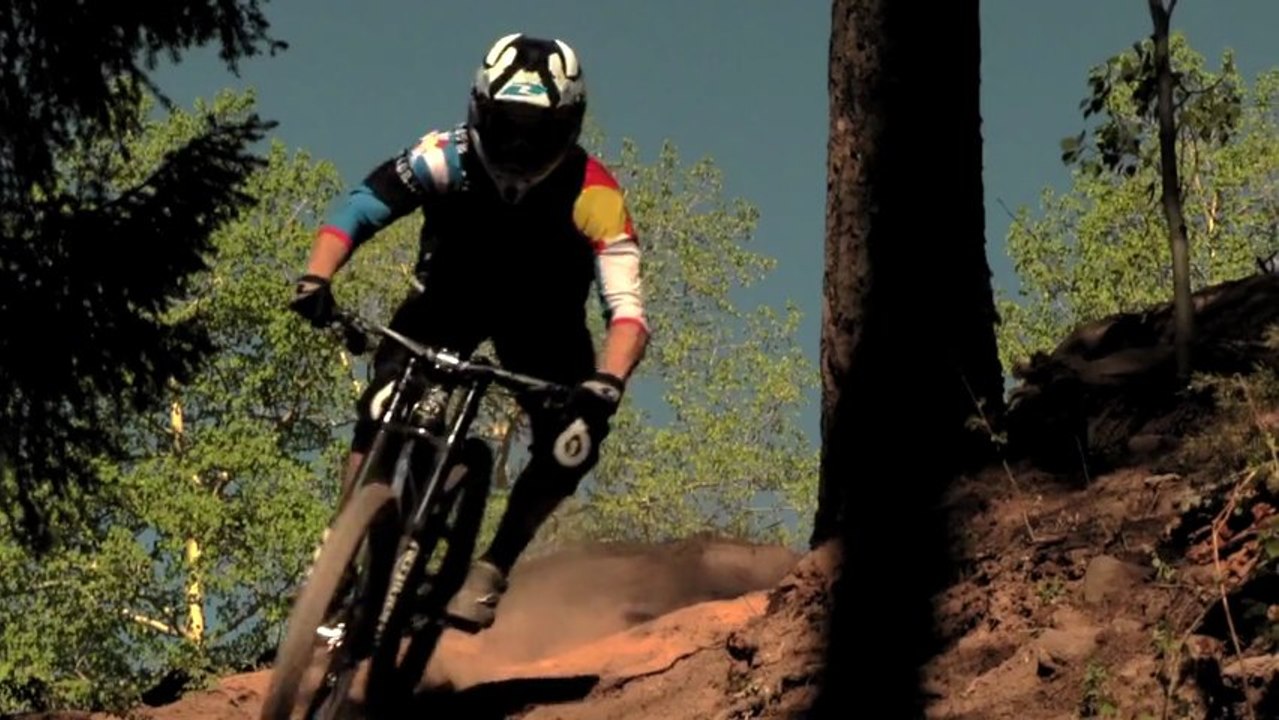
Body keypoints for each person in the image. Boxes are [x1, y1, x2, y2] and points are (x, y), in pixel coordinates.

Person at [287, 32, 649, 631]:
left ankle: (492, 568)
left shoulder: (595, 194)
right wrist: (315, 278)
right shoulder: (443, 156)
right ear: (479, 112)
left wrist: (607, 383)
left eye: (536, 132)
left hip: (543, 326)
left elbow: (628, 312)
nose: (519, 146)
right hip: (449, 302)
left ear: (570, 127)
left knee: (574, 441)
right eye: (505, 127)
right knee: (381, 402)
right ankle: (340, 546)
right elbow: (359, 208)